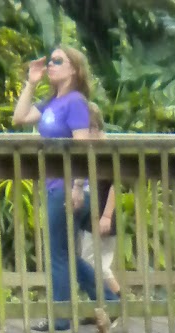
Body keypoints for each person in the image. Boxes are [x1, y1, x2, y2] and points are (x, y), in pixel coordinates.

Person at [12, 46, 116, 328]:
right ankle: (110, 301)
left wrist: (77, 186)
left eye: (59, 61)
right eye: (51, 61)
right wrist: (31, 83)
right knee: (67, 255)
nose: (52, 65)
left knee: (58, 255)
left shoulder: (75, 103)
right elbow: (19, 118)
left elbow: (83, 149)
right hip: (57, 186)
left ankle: (60, 319)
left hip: (70, 187)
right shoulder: (52, 103)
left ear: (74, 69)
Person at [72, 104, 120, 298]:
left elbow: (115, 186)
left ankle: (116, 301)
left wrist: (107, 215)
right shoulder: (92, 150)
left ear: (93, 128)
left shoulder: (106, 150)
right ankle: (105, 304)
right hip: (93, 215)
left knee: (96, 265)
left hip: (104, 214)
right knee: (93, 262)